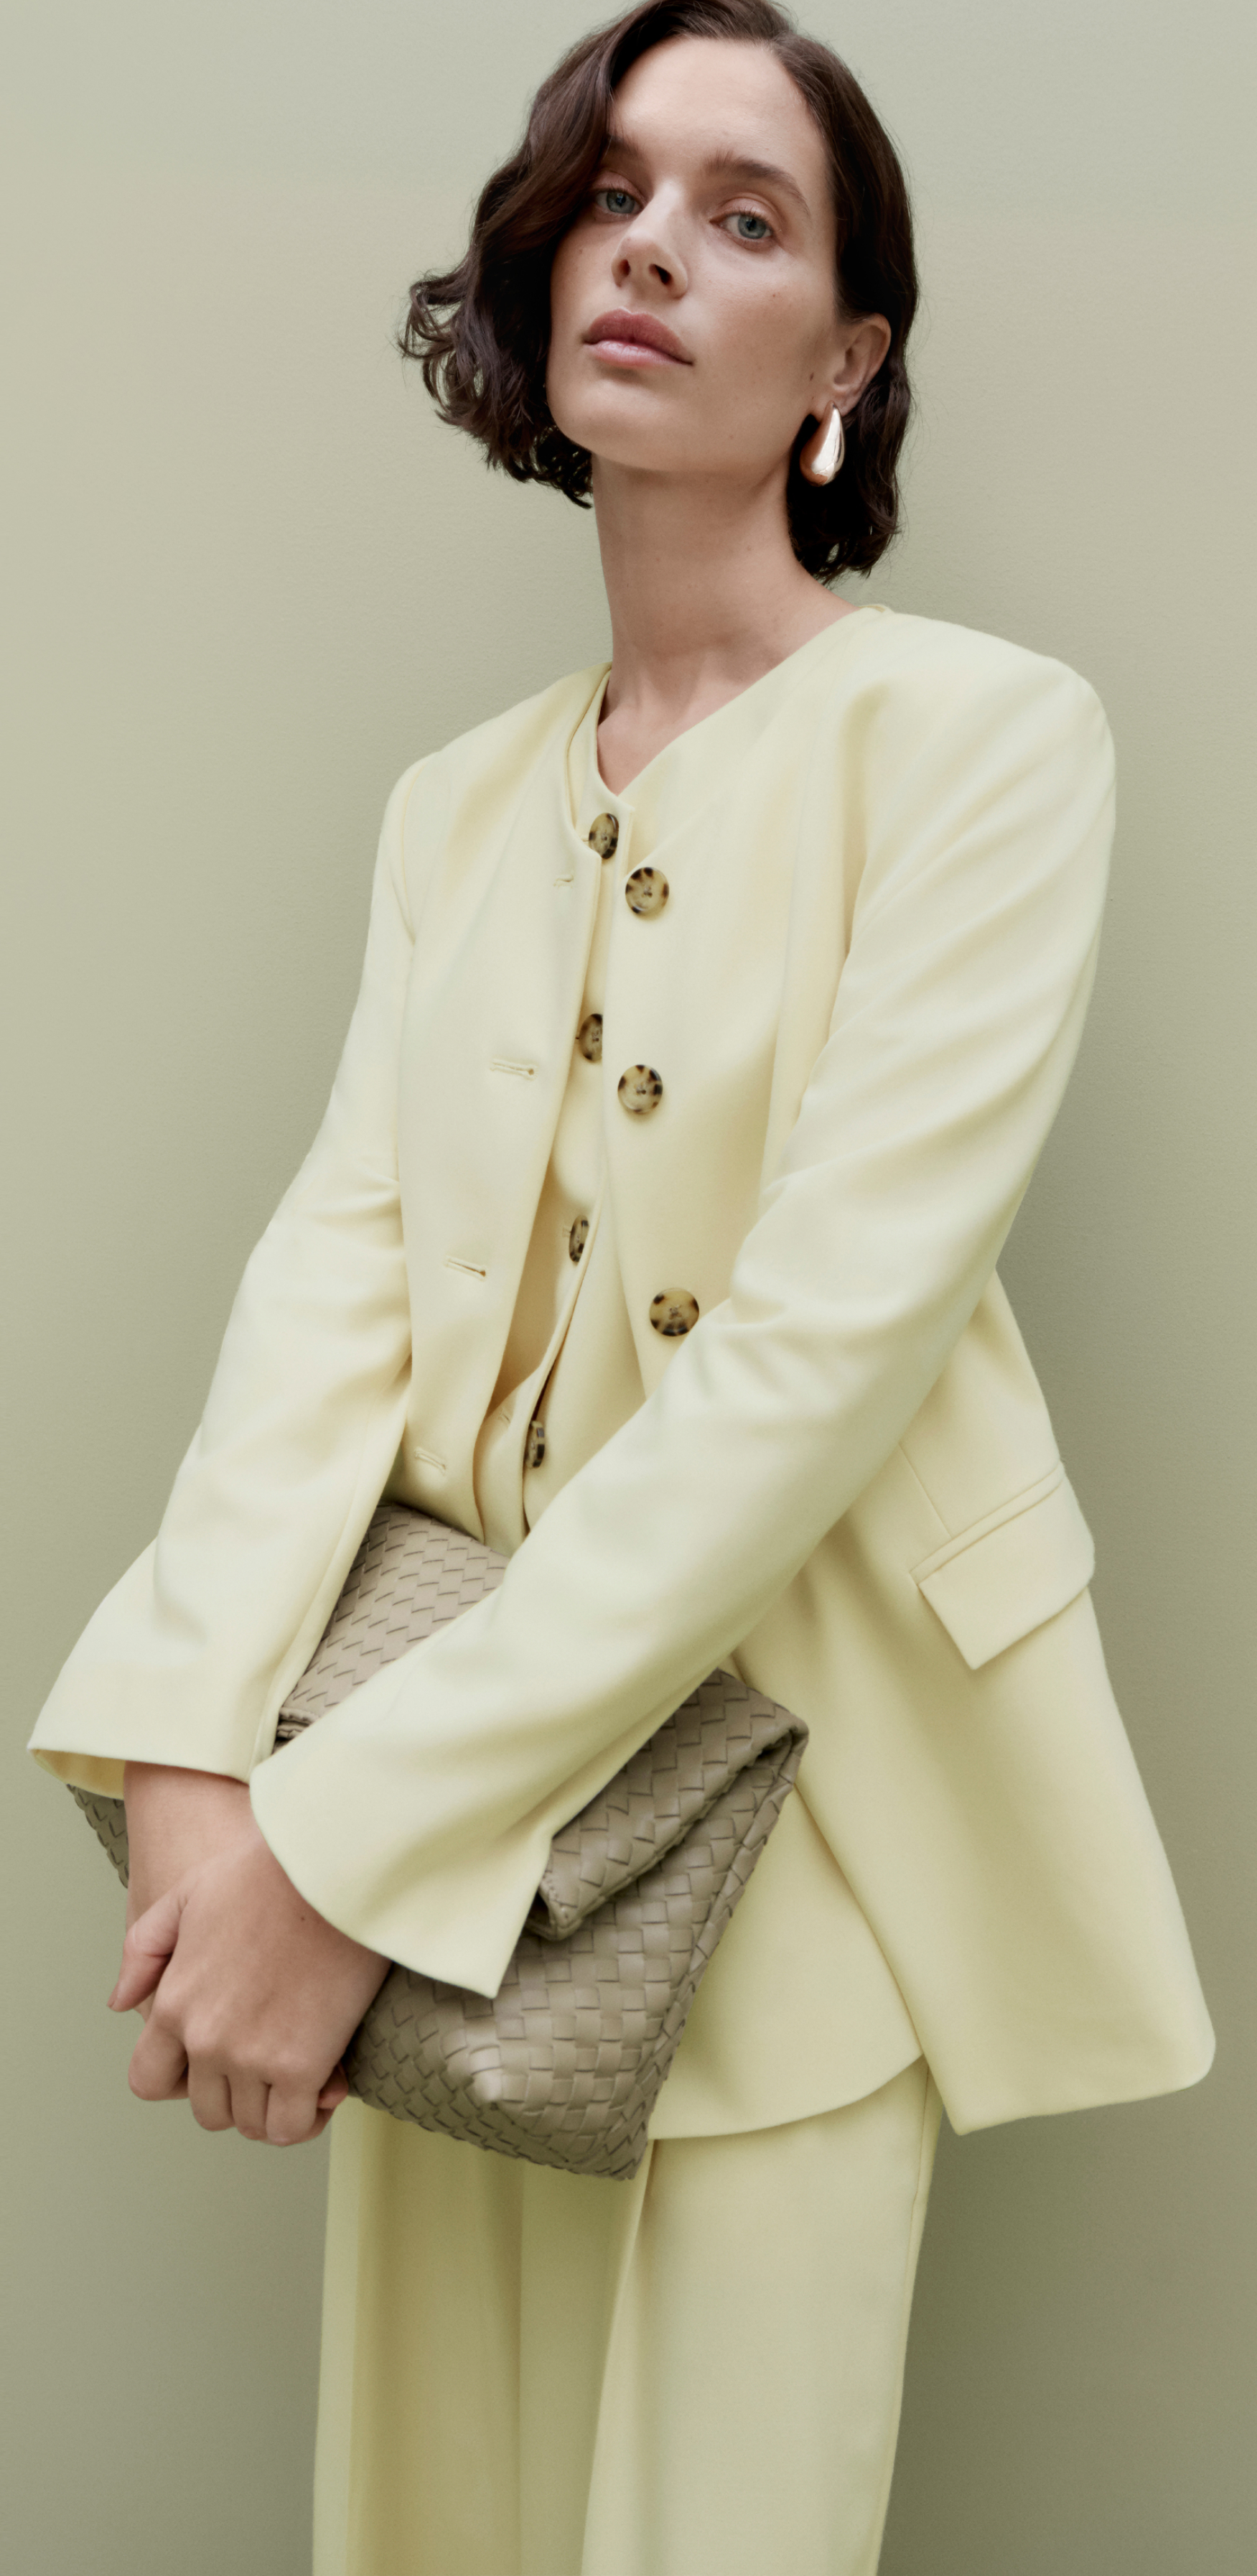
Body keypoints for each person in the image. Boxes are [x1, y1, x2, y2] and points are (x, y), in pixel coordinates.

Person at [29, 4, 1213, 2570]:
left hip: (807, 1854)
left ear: (848, 361)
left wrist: (331, 1847)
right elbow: (331, 1290)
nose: (652, 245)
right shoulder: (453, 806)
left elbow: (810, 1372)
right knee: (424, 2528)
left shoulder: (987, 746)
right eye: (611, 193)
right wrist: (200, 1770)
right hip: (452, 1912)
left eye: (743, 215)